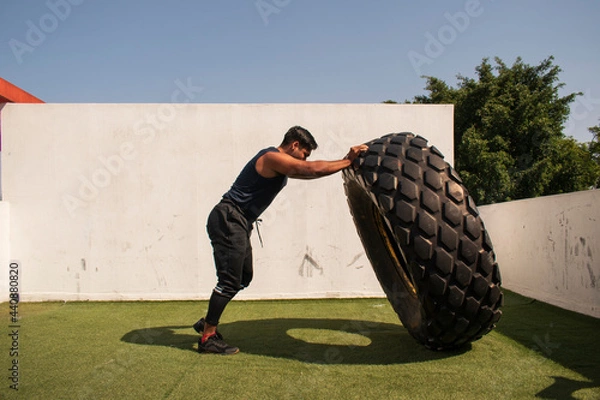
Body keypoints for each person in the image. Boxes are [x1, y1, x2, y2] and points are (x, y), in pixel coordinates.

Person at [194, 125, 368, 354]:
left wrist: (341, 163)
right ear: (294, 145)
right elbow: (311, 169)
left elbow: (307, 171)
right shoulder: (271, 157)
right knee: (228, 281)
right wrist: (347, 160)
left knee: (243, 278)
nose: (305, 158)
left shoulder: (280, 165)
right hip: (228, 218)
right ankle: (208, 338)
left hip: (239, 221)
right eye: (304, 153)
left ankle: (207, 321)